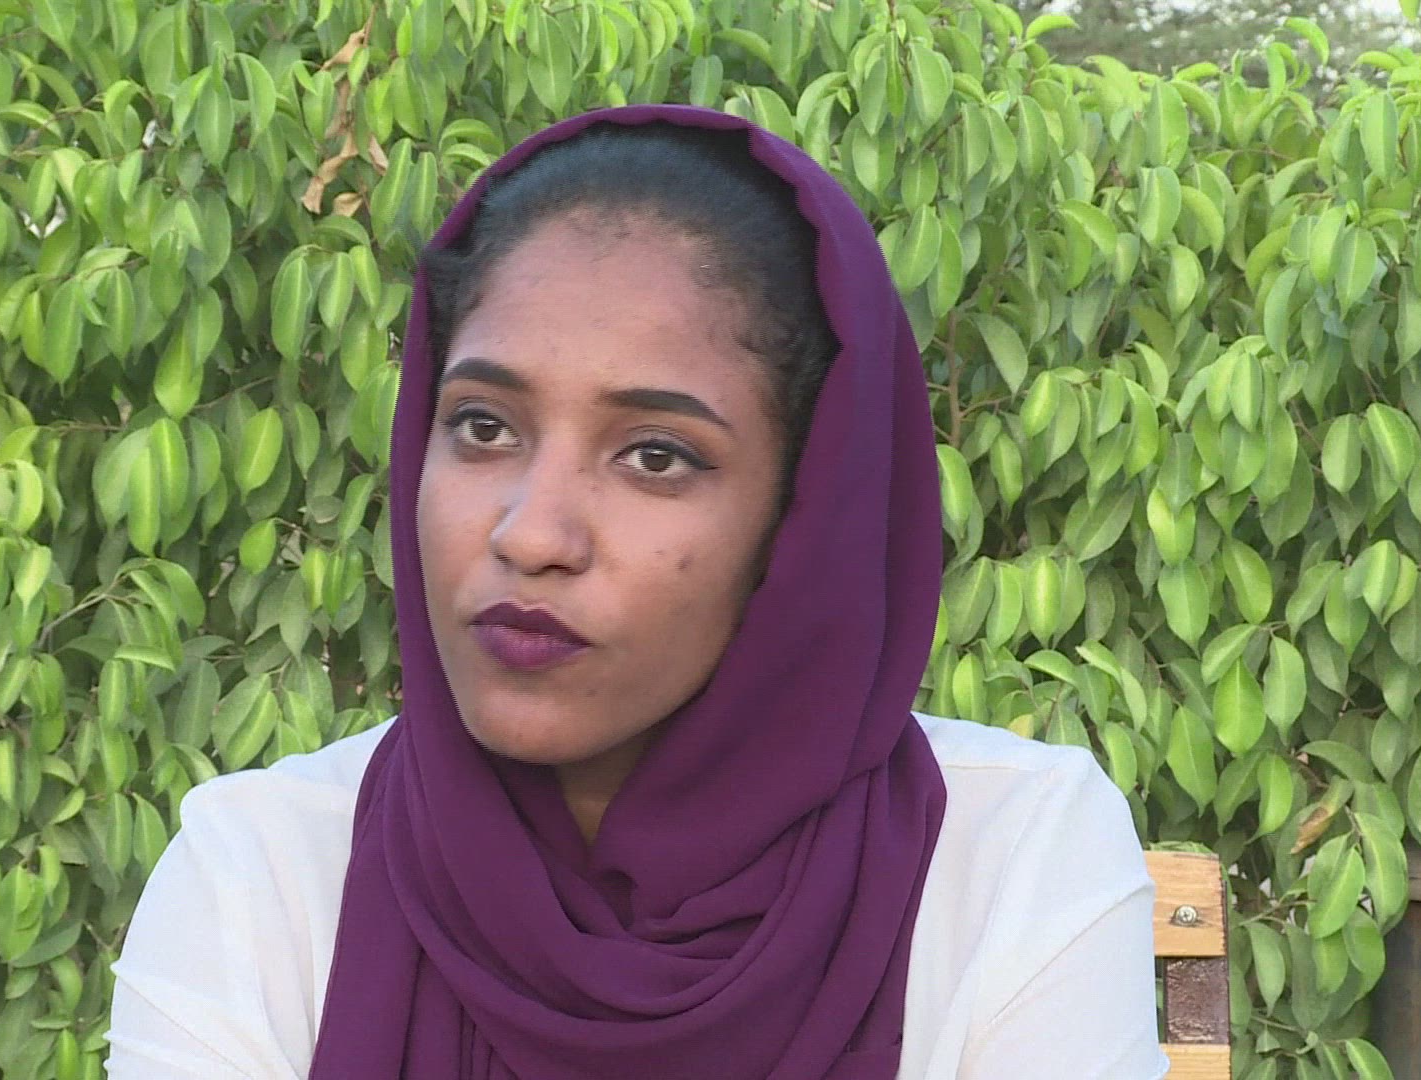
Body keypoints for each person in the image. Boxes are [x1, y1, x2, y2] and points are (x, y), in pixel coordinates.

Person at [105, 105, 1168, 1080]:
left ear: (802, 517)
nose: (531, 534)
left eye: (655, 455)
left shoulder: (1009, 860)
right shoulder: (263, 876)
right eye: (483, 426)